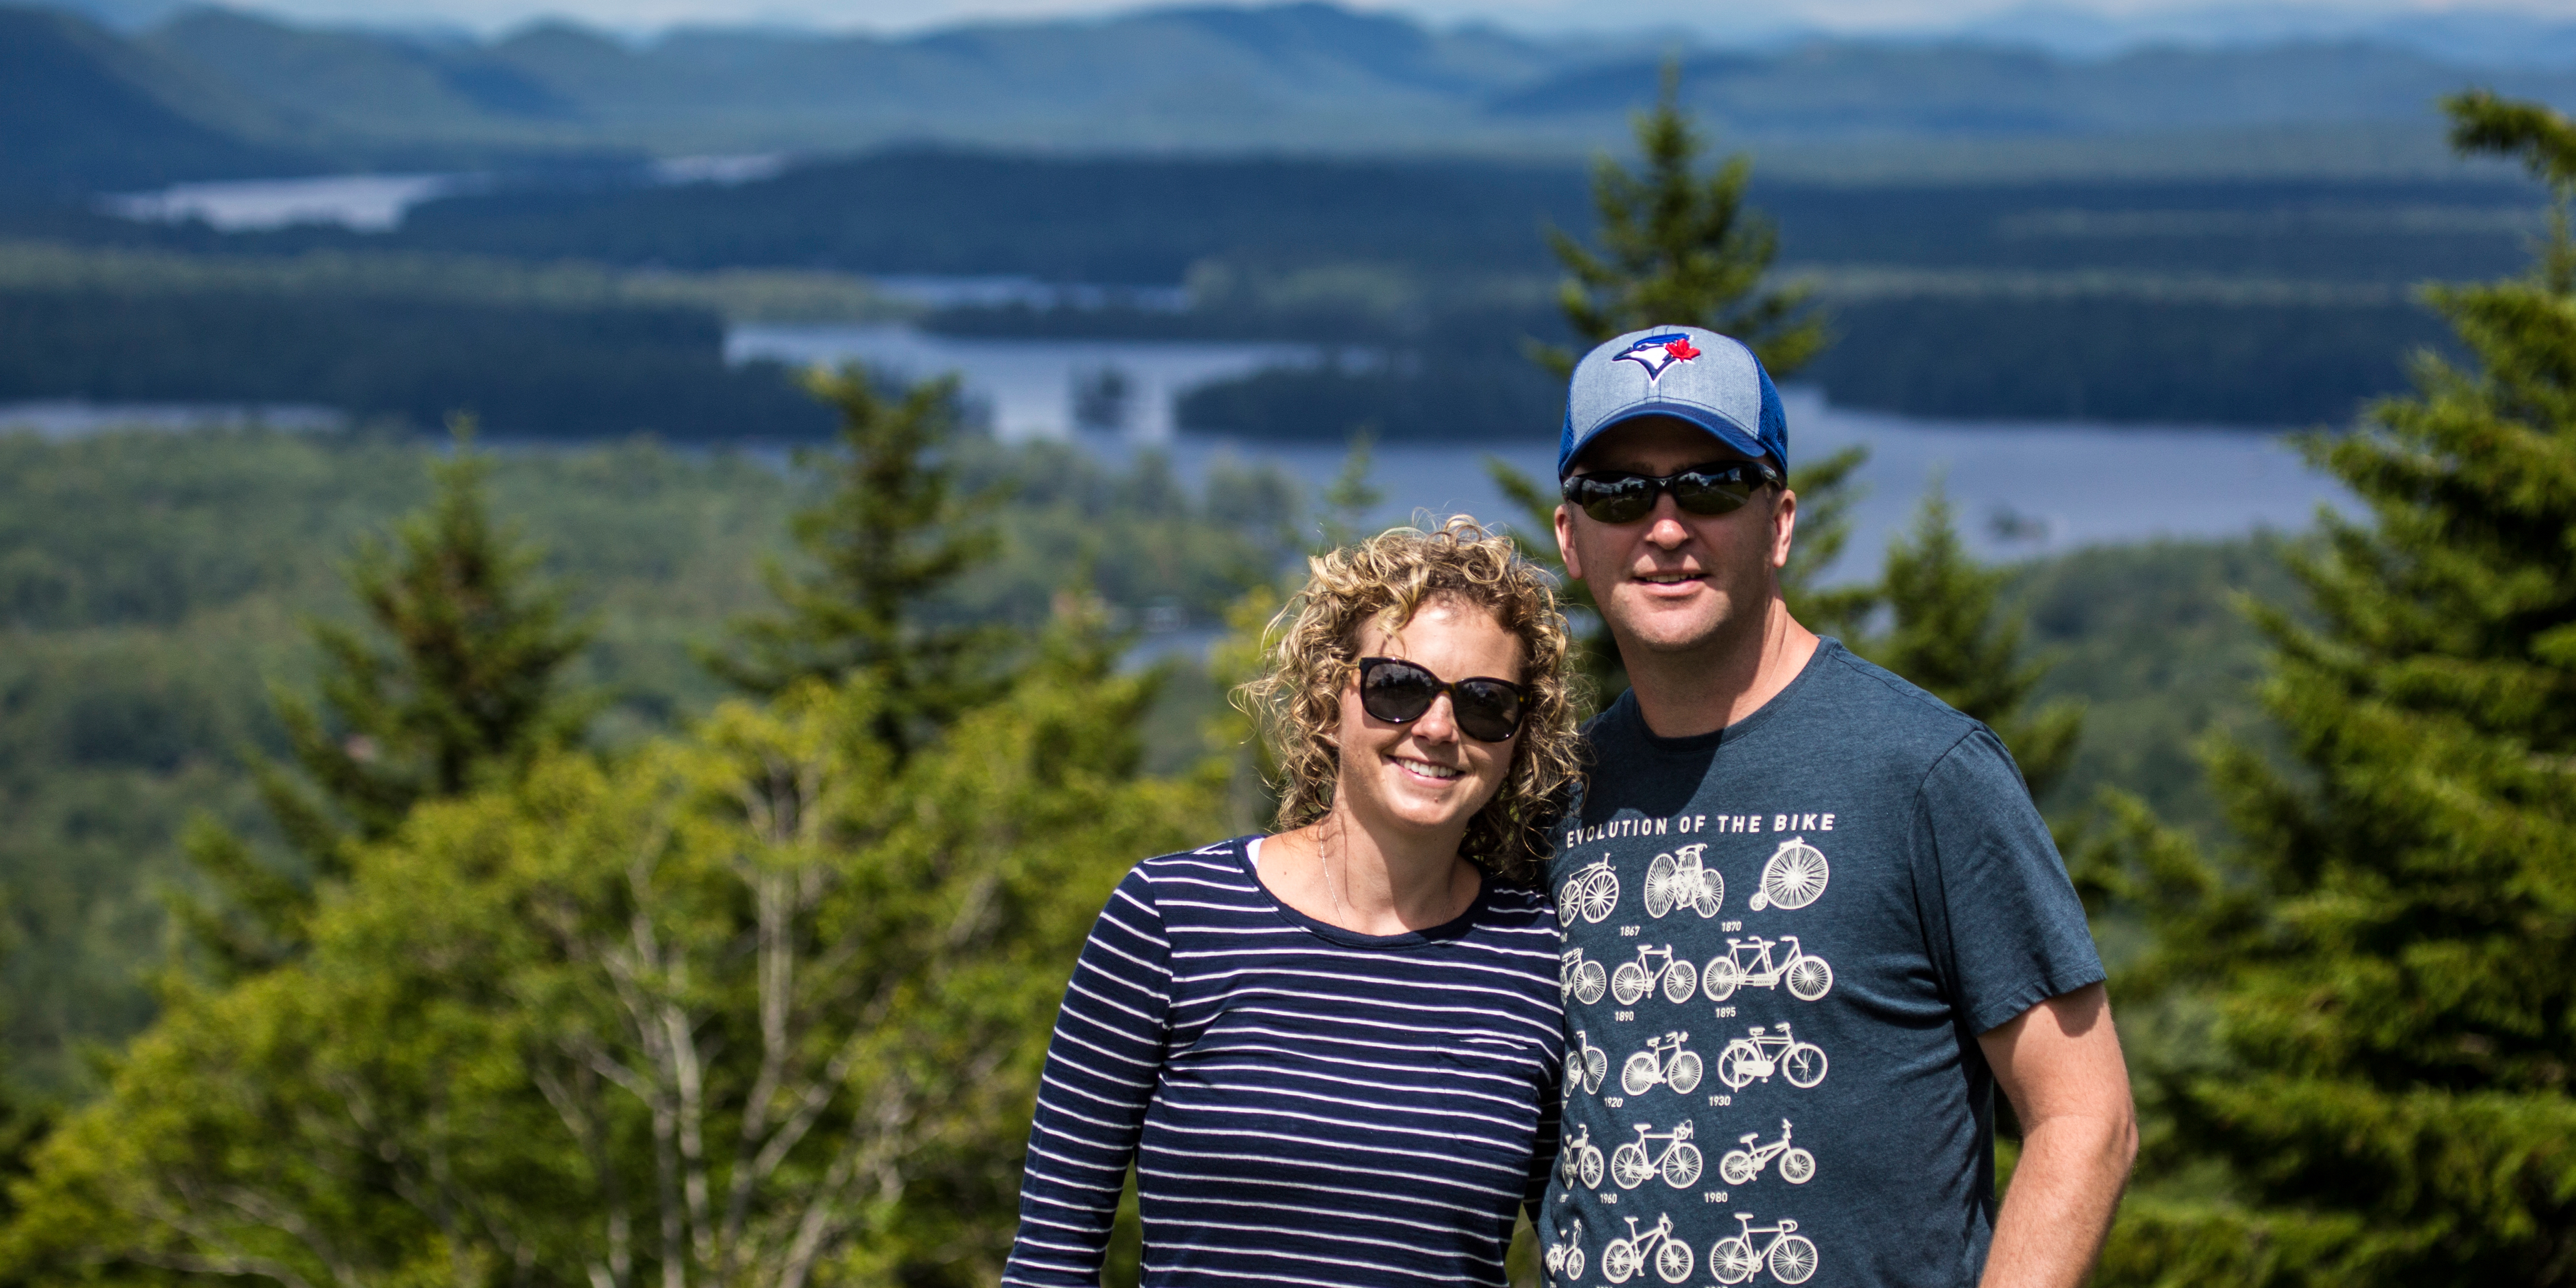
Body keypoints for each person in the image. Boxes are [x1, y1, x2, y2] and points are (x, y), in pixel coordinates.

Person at [1537, 326, 2136, 1288]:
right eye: (1617, 493)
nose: (1662, 526)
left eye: (1710, 485)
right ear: (1569, 537)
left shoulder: (1925, 770)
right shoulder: (1553, 794)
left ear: (1778, 522)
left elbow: (2085, 1115)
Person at [1002, 518, 1587, 1288]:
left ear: (1520, 737)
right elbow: (1051, 1258)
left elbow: (1582, 1255)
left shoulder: (1538, 958)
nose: (1439, 728)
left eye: (1485, 704)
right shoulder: (1171, 918)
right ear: (1329, 694)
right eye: (1397, 688)